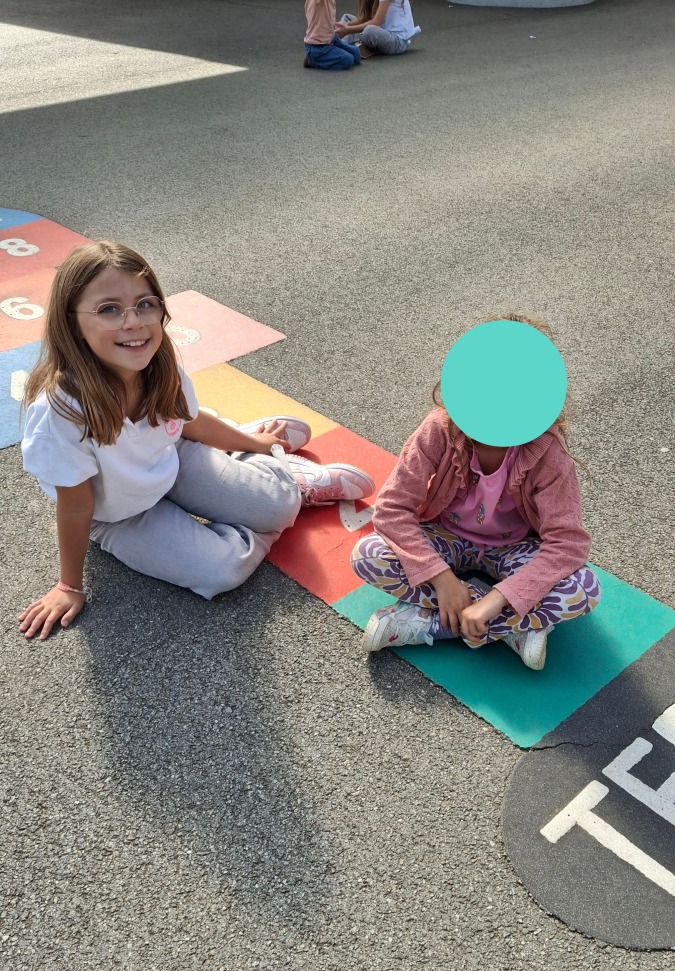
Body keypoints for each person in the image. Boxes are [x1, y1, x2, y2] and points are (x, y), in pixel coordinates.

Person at [19, 241, 374, 641]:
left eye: (145, 304)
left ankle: (270, 473)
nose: (133, 322)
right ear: (72, 324)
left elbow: (189, 420)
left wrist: (254, 443)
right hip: (117, 515)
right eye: (109, 309)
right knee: (222, 571)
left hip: (170, 459)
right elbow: (75, 504)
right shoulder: (61, 412)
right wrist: (69, 586)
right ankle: (271, 496)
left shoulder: (159, 365)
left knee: (277, 505)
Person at [350, 315, 601, 671]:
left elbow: (568, 544)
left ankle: (434, 624)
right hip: (447, 536)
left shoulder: (548, 452)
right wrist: (441, 579)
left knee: (585, 588)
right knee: (367, 555)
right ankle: (514, 628)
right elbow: (392, 508)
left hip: (514, 548)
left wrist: (498, 598)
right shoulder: (439, 429)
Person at [336, 0, 420, 59]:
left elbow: (376, 22)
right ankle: (343, 46)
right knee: (347, 18)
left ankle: (345, 47)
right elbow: (366, 19)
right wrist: (345, 26)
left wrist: (348, 30)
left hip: (398, 41)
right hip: (382, 32)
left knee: (369, 31)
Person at [304, 0, 361, 70]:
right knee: (348, 60)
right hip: (318, 46)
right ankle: (312, 61)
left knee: (356, 52)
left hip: (331, 39)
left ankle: (323, 57)